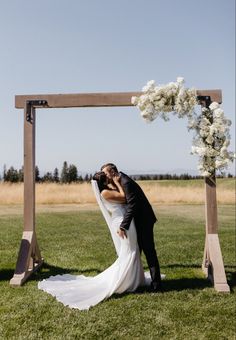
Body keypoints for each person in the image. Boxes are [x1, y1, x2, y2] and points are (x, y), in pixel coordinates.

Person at [38, 171, 147, 310]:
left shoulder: (108, 190)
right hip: (121, 222)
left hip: (124, 220)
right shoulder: (105, 193)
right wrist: (119, 183)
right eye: (106, 176)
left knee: (132, 249)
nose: (109, 176)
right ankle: (127, 282)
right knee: (130, 250)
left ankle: (134, 279)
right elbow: (124, 197)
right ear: (103, 181)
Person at [101, 163, 162, 292]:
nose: (105, 176)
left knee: (149, 250)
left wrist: (123, 226)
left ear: (112, 171)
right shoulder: (121, 181)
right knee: (135, 250)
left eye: (106, 173)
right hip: (137, 221)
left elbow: (132, 206)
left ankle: (157, 284)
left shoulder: (126, 182)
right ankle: (133, 280)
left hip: (144, 221)